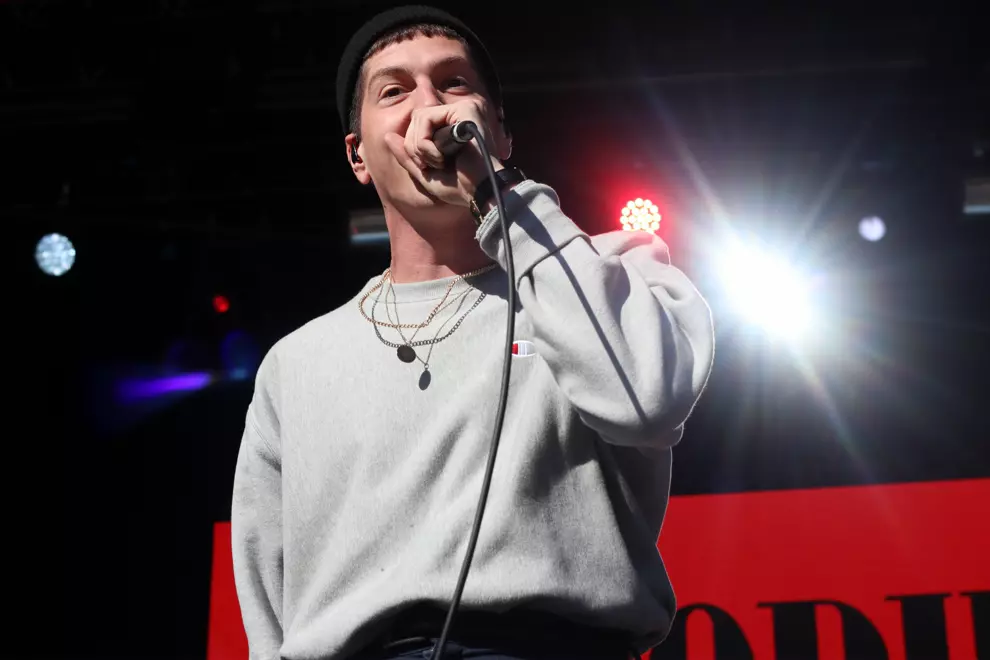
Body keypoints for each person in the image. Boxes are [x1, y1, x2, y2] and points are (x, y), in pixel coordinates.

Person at [231, 6, 715, 660]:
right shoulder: (297, 363)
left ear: (500, 133)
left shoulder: (610, 270)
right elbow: (269, 597)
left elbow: (646, 398)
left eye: (454, 84)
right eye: (394, 92)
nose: (429, 107)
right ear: (358, 157)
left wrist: (499, 198)